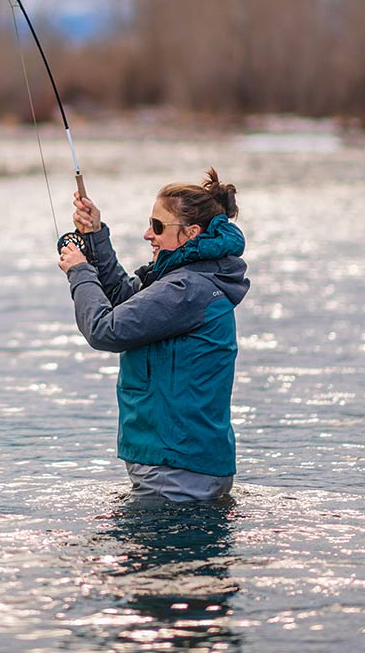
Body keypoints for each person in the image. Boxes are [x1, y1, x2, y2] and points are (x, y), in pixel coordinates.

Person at [58, 169, 249, 503]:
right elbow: (122, 295)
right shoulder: (188, 281)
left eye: (158, 226)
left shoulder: (185, 289)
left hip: (176, 471)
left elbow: (105, 329)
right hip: (183, 466)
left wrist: (79, 271)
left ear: (191, 233)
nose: (148, 234)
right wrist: (95, 235)